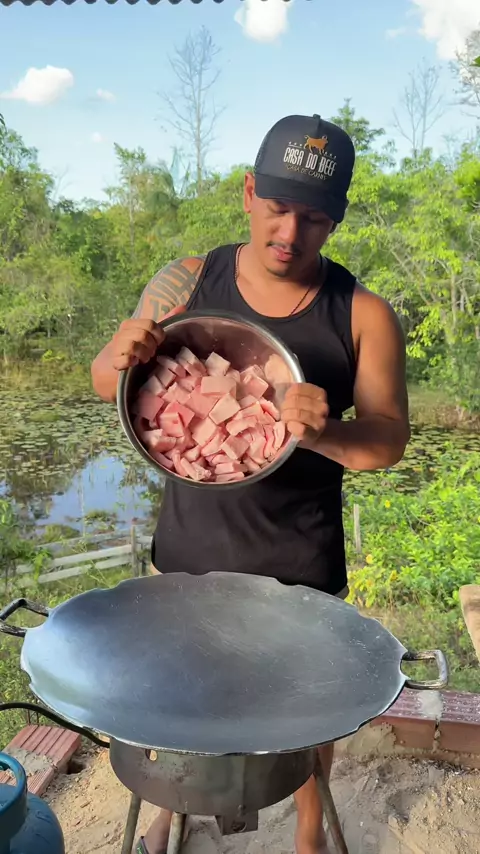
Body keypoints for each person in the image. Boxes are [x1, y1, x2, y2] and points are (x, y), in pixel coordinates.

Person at [91, 113, 410, 854]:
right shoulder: (183, 282)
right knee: (177, 694)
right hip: (187, 553)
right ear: (247, 193)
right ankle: (171, 809)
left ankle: (308, 833)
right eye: (277, 207)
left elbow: (388, 442)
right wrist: (118, 352)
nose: (290, 233)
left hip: (300, 562)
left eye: (313, 217)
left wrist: (325, 433)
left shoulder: (362, 315)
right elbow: (109, 381)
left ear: (336, 219)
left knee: (308, 711)